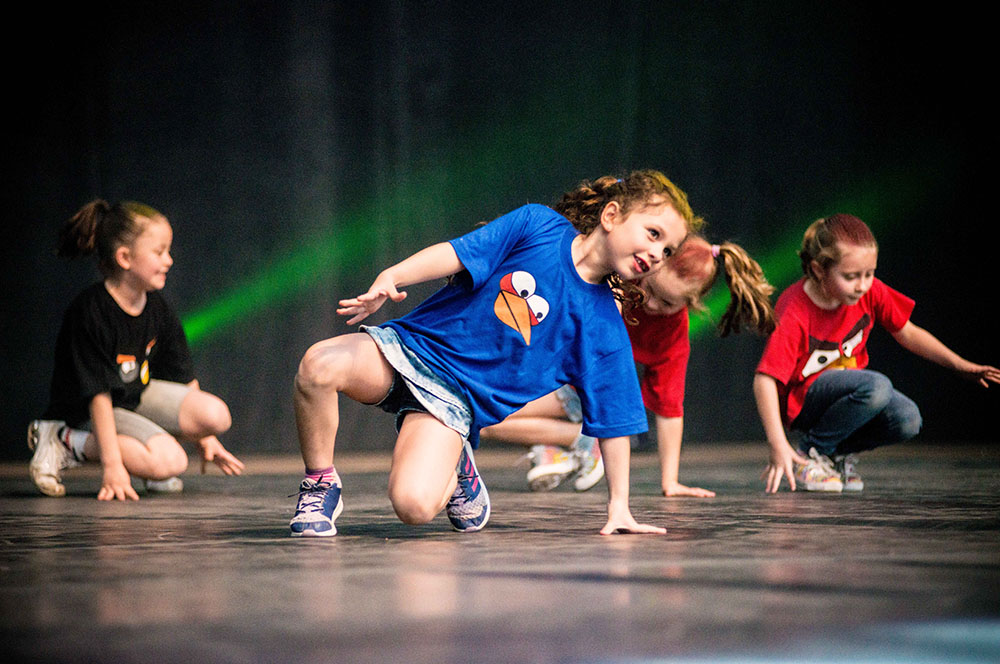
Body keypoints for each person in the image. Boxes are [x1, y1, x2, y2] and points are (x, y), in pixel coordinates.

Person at [288, 170, 696, 537]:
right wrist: (391, 276)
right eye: (654, 234)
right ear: (611, 216)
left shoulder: (605, 325)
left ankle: (457, 469)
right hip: (412, 349)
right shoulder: (538, 225)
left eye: (668, 251)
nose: (657, 254)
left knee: (413, 506)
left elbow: (614, 421)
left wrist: (619, 507)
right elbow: (456, 251)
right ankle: (320, 483)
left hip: (453, 403)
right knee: (318, 366)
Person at [481, 234, 776, 497]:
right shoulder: (621, 277)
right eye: (652, 289)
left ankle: (583, 442)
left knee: (485, 418)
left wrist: (670, 481)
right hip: (557, 371)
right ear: (652, 263)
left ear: (691, 303)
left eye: (667, 302)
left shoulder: (672, 333)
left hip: (579, 388)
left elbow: (669, 408)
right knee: (484, 414)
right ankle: (559, 449)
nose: (651, 304)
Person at [754, 213, 999, 493]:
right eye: (851, 276)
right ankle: (808, 453)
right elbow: (764, 379)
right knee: (876, 386)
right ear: (819, 269)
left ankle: (831, 455)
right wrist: (778, 445)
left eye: (869, 274)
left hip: (847, 396)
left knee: (907, 418)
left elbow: (907, 332)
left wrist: (958, 364)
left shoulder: (869, 292)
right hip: (806, 401)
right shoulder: (795, 309)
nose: (862, 285)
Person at [28, 200, 245, 501]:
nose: (168, 260)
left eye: (168, 251)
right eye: (158, 252)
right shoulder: (91, 312)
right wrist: (113, 466)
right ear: (125, 257)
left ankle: (149, 461)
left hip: (131, 397)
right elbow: (98, 397)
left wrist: (205, 439)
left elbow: (184, 378)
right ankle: (64, 441)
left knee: (215, 416)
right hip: (86, 411)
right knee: (172, 462)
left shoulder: (157, 306)